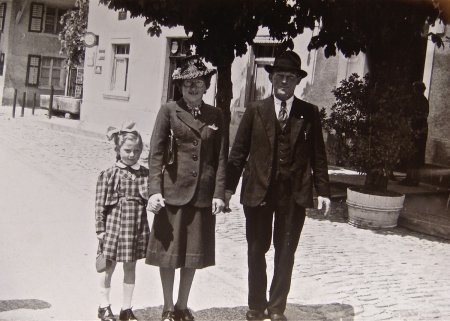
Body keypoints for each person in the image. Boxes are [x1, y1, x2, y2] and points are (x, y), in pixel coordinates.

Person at [225, 50, 331, 321]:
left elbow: (318, 155)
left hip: (293, 194)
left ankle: (276, 308)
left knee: (285, 252)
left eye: (291, 77)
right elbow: (238, 153)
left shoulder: (309, 113)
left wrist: (323, 191)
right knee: (255, 249)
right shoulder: (255, 110)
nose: (285, 81)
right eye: (280, 76)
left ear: (297, 81)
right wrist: (226, 190)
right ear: (272, 78)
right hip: (258, 190)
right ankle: (255, 306)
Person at [146, 55, 227, 321]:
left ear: (206, 86)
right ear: (180, 87)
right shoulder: (168, 110)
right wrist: (154, 190)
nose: (193, 88)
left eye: (198, 82)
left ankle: (182, 305)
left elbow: (220, 157)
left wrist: (218, 193)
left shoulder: (215, 115)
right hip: (172, 193)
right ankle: (168, 307)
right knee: (168, 255)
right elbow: (156, 154)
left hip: (202, 195)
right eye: (187, 83)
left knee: (192, 255)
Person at [95, 122, 150, 321]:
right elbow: (100, 204)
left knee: (130, 266)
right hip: (113, 226)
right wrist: (100, 229)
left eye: (136, 151)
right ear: (118, 149)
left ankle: (126, 309)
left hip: (135, 227)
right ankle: (104, 306)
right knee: (107, 267)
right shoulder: (109, 174)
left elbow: (152, 196)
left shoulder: (144, 174)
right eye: (127, 150)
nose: (131, 155)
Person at [400, 81, 429, 186]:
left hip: (416, 129)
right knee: (417, 155)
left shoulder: (416, 101)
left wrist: (413, 130)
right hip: (421, 130)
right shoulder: (424, 101)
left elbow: (414, 116)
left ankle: (410, 178)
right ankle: (413, 179)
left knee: (412, 154)